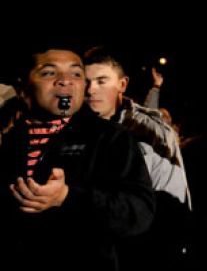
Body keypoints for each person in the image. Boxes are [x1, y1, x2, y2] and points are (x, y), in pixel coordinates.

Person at [1, 47, 154, 269]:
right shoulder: (10, 139)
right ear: (22, 87)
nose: (65, 81)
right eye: (49, 73)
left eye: (76, 74)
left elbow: (139, 213)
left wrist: (67, 197)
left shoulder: (110, 138)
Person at [84, 47, 191, 270]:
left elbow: (172, 200)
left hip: (144, 254)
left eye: (102, 81)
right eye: (86, 82)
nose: (91, 90)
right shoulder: (74, 130)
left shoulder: (151, 131)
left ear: (122, 84)